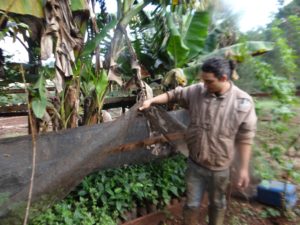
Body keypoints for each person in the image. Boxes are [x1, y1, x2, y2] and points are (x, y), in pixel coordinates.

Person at [139, 57, 257, 225]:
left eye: (209, 81)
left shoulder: (242, 102)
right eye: (203, 80)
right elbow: (174, 94)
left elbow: (246, 138)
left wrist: (244, 169)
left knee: (217, 204)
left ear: (223, 78)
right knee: (191, 204)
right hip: (195, 164)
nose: (205, 85)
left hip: (220, 169)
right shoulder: (197, 91)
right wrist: (151, 100)